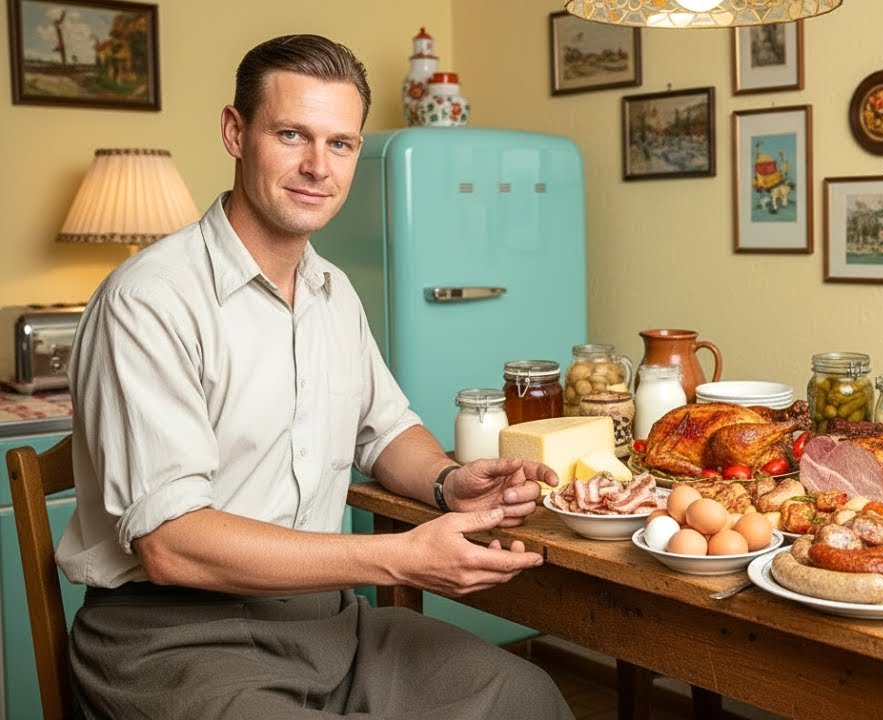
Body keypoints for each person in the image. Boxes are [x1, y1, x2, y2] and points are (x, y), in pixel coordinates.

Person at [55, 34, 574, 719]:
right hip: (170, 641)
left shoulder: (332, 290)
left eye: (340, 144)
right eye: (292, 134)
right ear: (235, 133)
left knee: (523, 695)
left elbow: (385, 427)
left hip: (325, 622)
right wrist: (396, 556)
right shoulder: (149, 300)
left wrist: (448, 481)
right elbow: (173, 547)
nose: (316, 167)